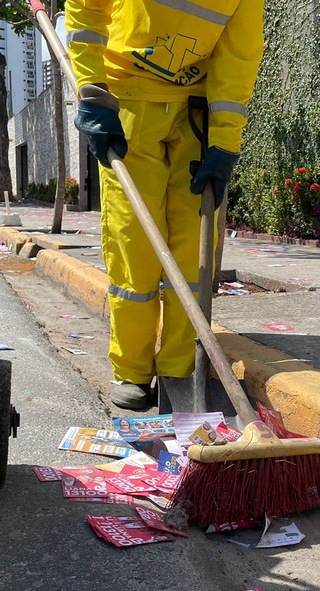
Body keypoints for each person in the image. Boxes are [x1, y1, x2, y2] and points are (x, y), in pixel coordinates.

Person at [66, 0, 265, 410]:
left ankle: (180, 367)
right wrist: (93, 89)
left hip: (195, 110)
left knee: (193, 248)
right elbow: (86, 12)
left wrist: (224, 143)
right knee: (133, 242)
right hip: (128, 104)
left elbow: (238, 55)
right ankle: (134, 370)